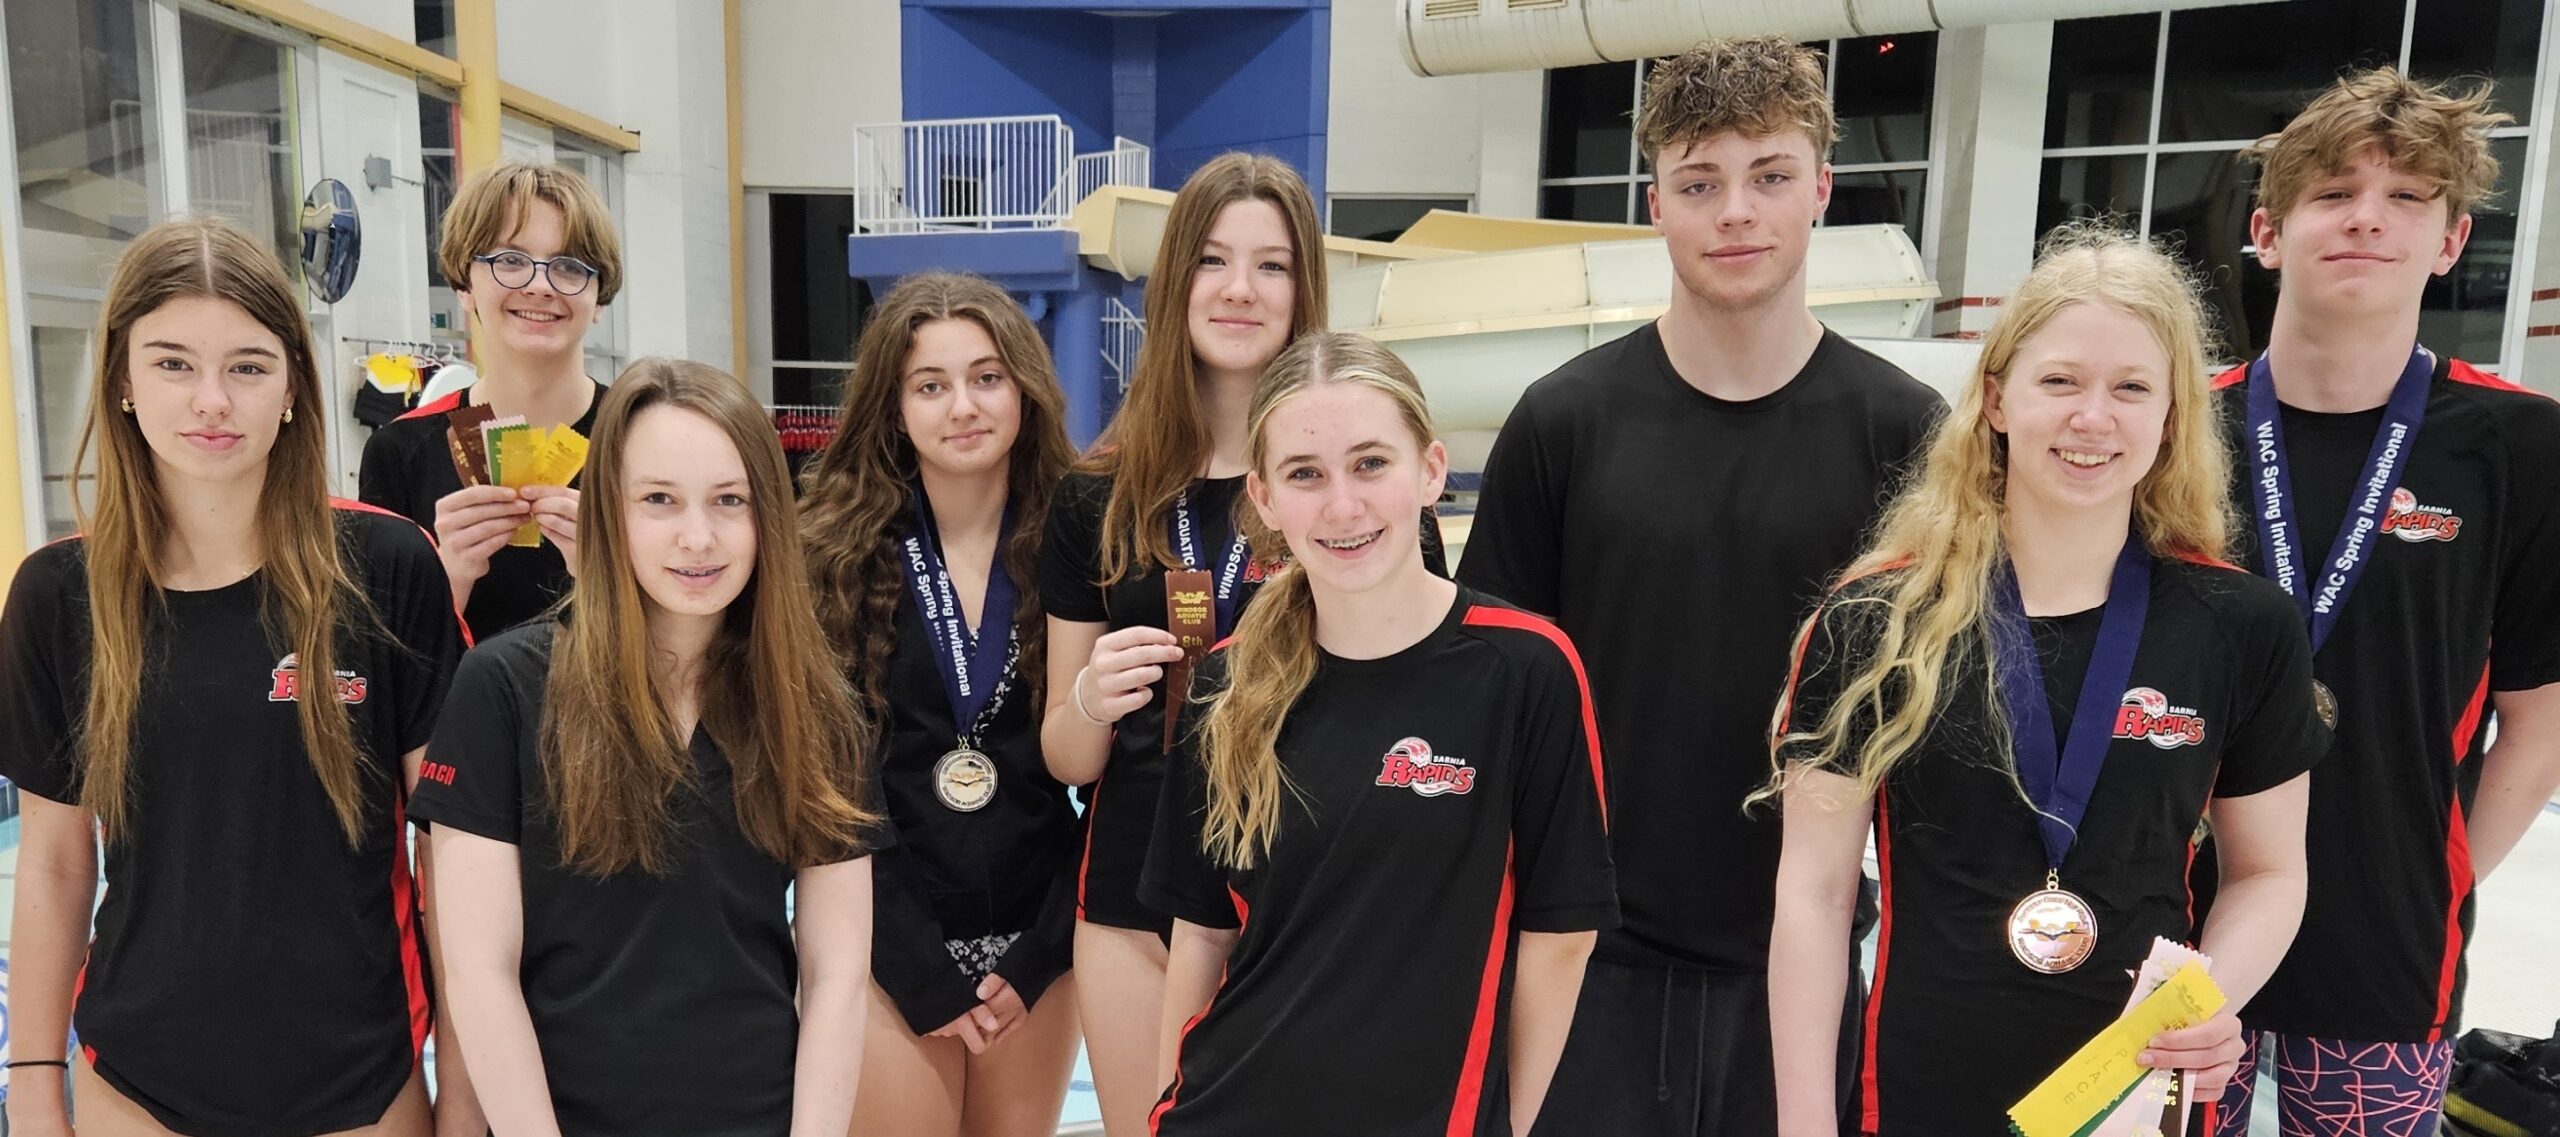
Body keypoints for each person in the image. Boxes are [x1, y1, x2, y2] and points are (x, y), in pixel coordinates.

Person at [1456, 36, 1943, 1136]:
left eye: (1769, 176)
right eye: (1699, 183)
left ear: (1820, 189)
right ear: (1655, 205)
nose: (1736, 212)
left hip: (1803, 959)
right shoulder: (1564, 423)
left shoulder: (1905, 434)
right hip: (1583, 956)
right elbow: (1494, 697)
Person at [1764, 226, 2327, 1137]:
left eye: (2131, 387)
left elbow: (2270, 870)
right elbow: (1815, 894)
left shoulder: (2241, 625)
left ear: (2172, 415)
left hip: (2131, 1095)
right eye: (2060, 380)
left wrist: (2207, 998)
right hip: (1917, 1092)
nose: (2093, 417)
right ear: (1996, 398)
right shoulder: (1878, 619)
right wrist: (1802, 1123)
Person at [0, 219, 467, 1136]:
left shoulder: (385, 568)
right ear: (123, 380)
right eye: (173, 363)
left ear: (292, 385)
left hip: (361, 1083)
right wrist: (33, 1085)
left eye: (248, 366)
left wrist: (466, 1089)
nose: (212, 400)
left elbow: (449, 856)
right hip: (135, 1084)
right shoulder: (59, 594)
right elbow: (55, 860)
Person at [2198, 68, 2560, 1136]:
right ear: (2267, 232)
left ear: (2451, 241)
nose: (2367, 217)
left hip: (2389, 943)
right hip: (2176, 922)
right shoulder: (2176, 429)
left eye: (2405, 197)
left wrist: (2437, 869)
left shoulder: (2519, 444)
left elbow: (2538, 719)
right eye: (2333, 193)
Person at [1144, 331, 1615, 1136]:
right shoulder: (1226, 681)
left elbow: (1561, 935)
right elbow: (1200, 934)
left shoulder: (1524, 669)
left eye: (1370, 463)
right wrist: (1165, 1103)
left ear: (1430, 471)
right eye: (1305, 473)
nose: (1342, 506)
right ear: (1264, 497)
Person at [415, 360, 884, 1136]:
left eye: (729, 500)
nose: (698, 537)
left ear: (769, 515)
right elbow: (479, 972)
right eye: (659, 500)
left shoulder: (814, 705)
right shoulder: (503, 687)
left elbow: (836, 973)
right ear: (609, 509)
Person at [1037, 151, 1355, 1136]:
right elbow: (1065, 756)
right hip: (1132, 904)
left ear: (1303, 290)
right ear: (1175, 282)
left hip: (1298, 909)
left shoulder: (1349, 497)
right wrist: (1089, 698)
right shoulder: (1097, 499)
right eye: (1213, 260)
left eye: (1271, 265)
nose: (1239, 289)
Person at [799, 273, 1084, 1136]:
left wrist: (1042, 951)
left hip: (1037, 946)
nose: (963, 405)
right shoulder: (832, 558)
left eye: (987, 377)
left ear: (1025, 390)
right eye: (930, 384)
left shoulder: (1079, 545)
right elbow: (828, 787)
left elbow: (1115, 780)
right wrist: (916, 963)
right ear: (893, 407)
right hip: (884, 940)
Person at [360, 161, 623, 640]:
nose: (540, 285)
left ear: (600, 297)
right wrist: (446, 580)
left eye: (569, 266)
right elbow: (376, 658)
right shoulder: (401, 452)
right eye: (511, 261)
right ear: (464, 285)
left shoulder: (643, 440)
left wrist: (611, 579)